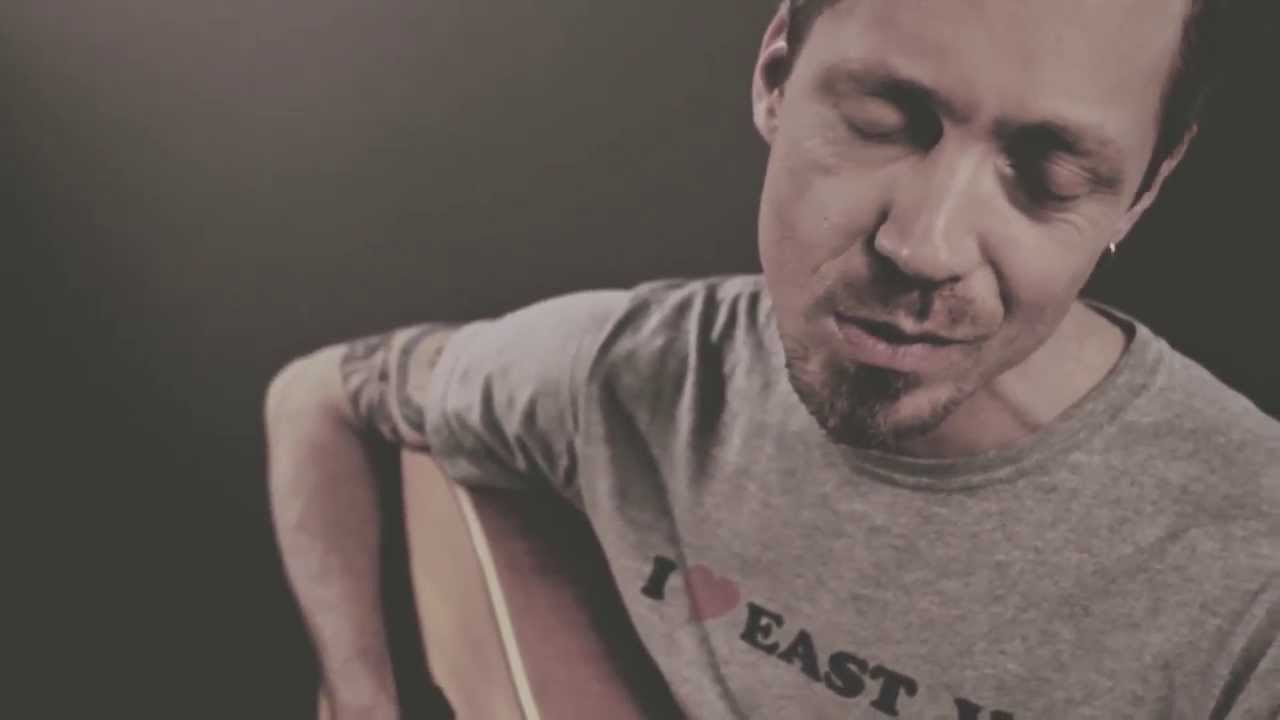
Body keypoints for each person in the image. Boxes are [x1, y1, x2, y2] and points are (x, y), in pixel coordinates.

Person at [265, 0, 1280, 717]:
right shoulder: (632, 374)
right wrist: (360, 695)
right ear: (775, 77)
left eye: (1048, 178)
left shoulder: (1252, 582)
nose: (923, 245)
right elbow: (316, 396)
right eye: (883, 122)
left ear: (1142, 193)